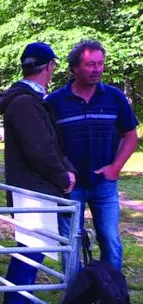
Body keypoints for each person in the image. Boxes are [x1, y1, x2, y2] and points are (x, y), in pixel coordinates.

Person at [0, 42, 76, 304]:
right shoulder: (26, 103)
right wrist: (62, 175)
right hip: (33, 189)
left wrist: (63, 169)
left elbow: (48, 145)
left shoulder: (27, 100)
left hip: (34, 188)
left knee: (32, 253)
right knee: (28, 255)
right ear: (49, 67)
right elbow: (40, 148)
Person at [47, 40, 139, 272]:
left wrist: (115, 168)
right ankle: (74, 301)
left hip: (104, 185)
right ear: (74, 68)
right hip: (69, 186)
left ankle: (112, 300)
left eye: (100, 64)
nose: (97, 69)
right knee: (70, 244)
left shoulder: (114, 97)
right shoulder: (54, 102)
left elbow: (130, 135)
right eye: (90, 64)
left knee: (110, 240)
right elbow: (46, 144)